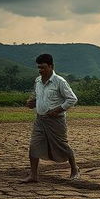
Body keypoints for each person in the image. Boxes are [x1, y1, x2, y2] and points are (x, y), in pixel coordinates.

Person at [23, 53, 80, 183]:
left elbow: (72, 99)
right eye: (39, 68)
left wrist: (58, 109)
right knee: (34, 146)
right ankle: (33, 175)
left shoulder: (60, 81)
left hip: (56, 121)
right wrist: (33, 102)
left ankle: (74, 169)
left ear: (51, 66)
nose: (40, 70)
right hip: (40, 120)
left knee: (62, 145)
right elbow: (39, 97)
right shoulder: (37, 81)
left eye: (43, 67)